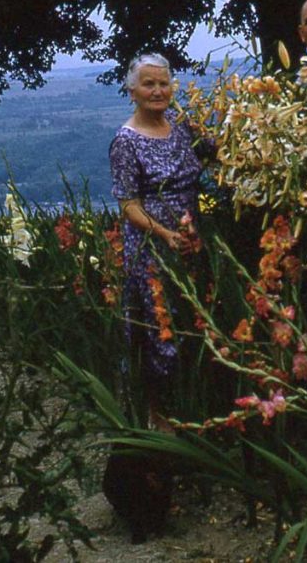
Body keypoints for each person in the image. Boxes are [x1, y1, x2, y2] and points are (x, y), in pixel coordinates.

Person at [108, 52, 208, 430]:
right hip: (152, 249)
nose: (157, 90)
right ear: (132, 90)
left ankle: (193, 408)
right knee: (158, 329)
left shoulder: (183, 128)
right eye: (148, 84)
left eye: (163, 83)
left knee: (192, 322)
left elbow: (218, 153)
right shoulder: (125, 141)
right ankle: (159, 417)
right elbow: (129, 206)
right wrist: (165, 234)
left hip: (191, 242)